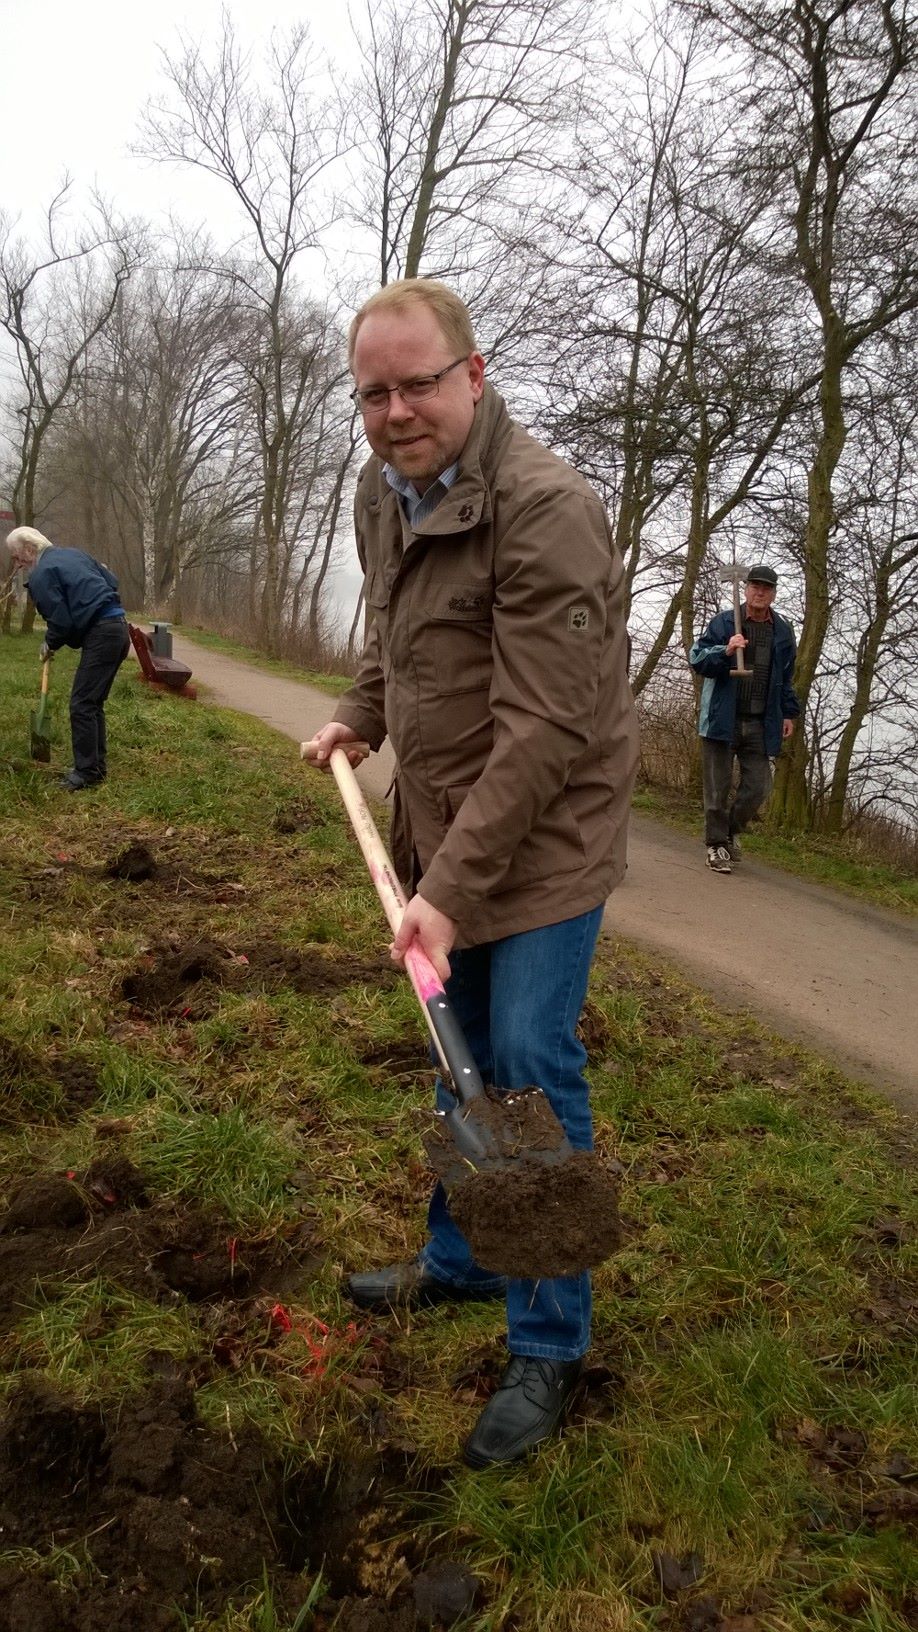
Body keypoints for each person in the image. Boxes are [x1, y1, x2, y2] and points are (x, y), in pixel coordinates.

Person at [304, 278, 638, 1469]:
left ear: (474, 375)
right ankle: (459, 1262)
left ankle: (549, 1343)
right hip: (444, 821)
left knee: (528, 1060)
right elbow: (396, 640)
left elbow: (545, 730)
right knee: (464, 1056)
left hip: (546, 837)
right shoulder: (382, 490)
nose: (396, 412)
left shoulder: (548, 511)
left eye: (418, 385)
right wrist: (359, 715)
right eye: (373, 393)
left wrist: (445, 896)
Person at [689, 564, 800, 873]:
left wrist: (788, 712)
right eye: (755, 586)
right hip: (721, 717)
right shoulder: (725, 622)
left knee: (759, 787)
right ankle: (716, 846)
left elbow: (786, 676)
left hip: (760, 721)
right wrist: (726, 650)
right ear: (747, 588)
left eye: (766, 588)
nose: (759, 592)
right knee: (717, 788)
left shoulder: (783, 631)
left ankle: (729, 833)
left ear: (773, 594)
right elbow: (697, 659)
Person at [5, 526, 130, 791]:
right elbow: (112, 581)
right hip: (119, 629)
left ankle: (85, 773)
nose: (17, 564)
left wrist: (49, 644)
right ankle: (96, 768)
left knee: (82, 704)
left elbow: (61, 623)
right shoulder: (76, 554)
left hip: (102, 633)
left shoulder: (42, 573)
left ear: (30, 549)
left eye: (17, 556)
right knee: (92, 703)